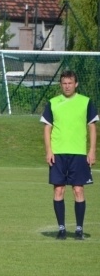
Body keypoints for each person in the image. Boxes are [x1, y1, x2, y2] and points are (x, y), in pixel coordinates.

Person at [41, 70, 98, 240]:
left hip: (79, 154)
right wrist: (49, 151)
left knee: (78, 190)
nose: (67, 86)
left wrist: (92, 150)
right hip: (58, 153)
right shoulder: (52, 103)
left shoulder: (85, 102)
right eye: (64, 83)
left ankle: (79, 229)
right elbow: (47, 128)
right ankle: (62, 229)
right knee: (58, 190)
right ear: (61, 85)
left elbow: (92, 127)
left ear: (76, 84)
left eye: (70, 83)